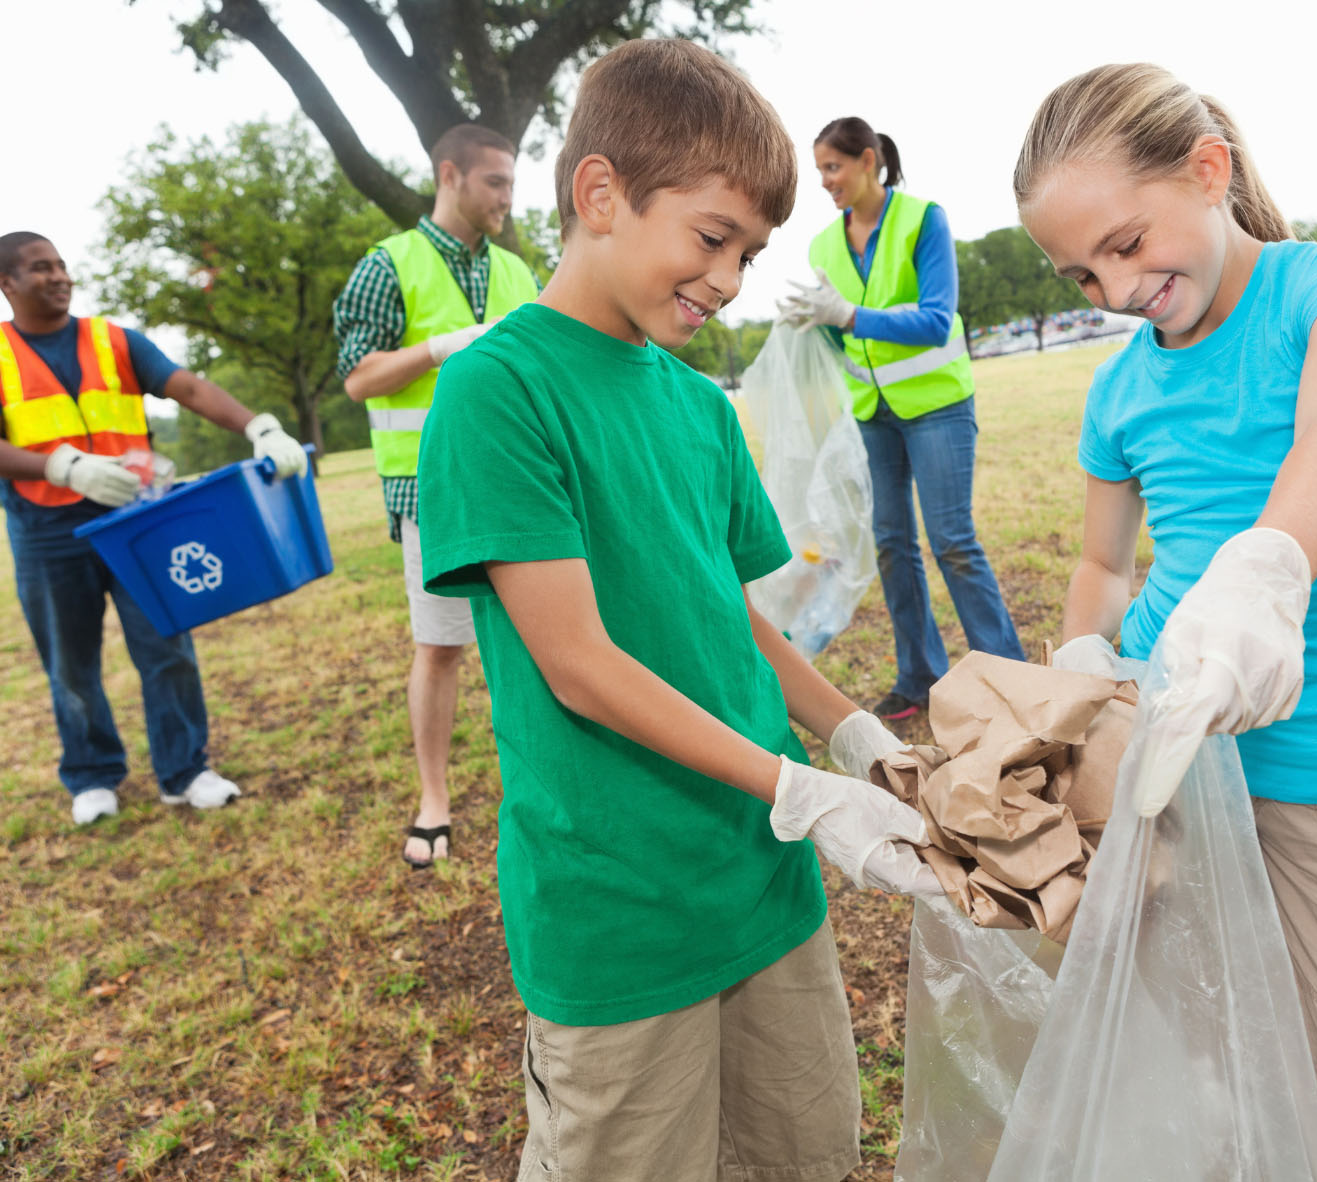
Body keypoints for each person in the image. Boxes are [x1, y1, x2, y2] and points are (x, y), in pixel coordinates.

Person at [416, 39, 945, 1181]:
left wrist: (852, 739)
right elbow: (580, 666)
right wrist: (797, 788)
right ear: (600, 193)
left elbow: (739, 624)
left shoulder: (702, 408)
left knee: (802, 1149)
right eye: (711, 239)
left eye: (749, 255)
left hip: (763, 882)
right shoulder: (499, 390)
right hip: (622, 908)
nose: (727, 281)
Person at [1017, 63, 1317, 1182]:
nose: (1115, 285)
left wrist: (1263, 581)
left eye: (1129, 243)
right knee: (1219, 1068)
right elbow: (1100, 564)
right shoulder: (1119, 392)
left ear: (1207, 171)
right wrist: (1082, 676)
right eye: (1082, 272)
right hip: (1169, 778)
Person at [0, 232, 307, 826]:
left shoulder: (112, 340)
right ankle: (91, 776)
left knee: (167, 645)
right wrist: (61, 465)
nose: (60, 276)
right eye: (41, 268)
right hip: (45, 528)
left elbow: (185, 386)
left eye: (63, 264)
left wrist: (259, 425)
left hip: (136, 520)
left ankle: (185, 770)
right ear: (7, 283)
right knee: (71, 662)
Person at [333, 123, 539, 869]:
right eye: (495, 183)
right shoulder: (387, 265)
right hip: (431, 490)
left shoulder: (518, 271)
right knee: (442, 648)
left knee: (537, 643)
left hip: (517, 481)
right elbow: (357, 378)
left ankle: (543, 785)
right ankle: (434, 800)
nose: (507, 200)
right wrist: (438, 348)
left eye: (513, 184)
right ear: (449, 175)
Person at [779, 117, 1024, 722]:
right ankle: (919, 678)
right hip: (873, 415)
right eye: (820, 172)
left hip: (937, 405)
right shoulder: (822, 246)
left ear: (868, 162)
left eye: (833, 168)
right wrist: (816, 325)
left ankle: (1010, 679)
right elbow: (843, 337)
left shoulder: (922, 220)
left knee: (953, 542)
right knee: (892, 546)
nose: (826, 182)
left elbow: (937, 319)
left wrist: (851, 315)